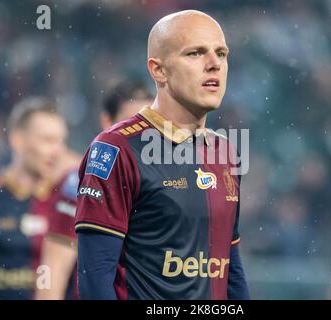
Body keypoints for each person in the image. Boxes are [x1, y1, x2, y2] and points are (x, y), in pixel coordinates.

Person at [75, 10, 249, 300]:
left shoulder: (224, 152)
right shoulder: (116, 149)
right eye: (195, 53)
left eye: (221, 53)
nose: (214, 64)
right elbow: (95, 278)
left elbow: (231, 268)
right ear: (158, 70)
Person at [35, 81, 153, 300]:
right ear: (107, 122)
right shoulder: (78, 185)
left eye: (148, 125)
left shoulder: (172, 180)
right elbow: (52, 274)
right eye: (131, 123)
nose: (141, 134)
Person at [0, 97, 70, 299]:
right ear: (17, 140)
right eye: (47, 140)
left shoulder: (68, 204)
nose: (57, 151)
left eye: (61, 141)